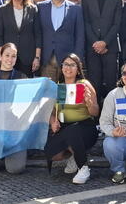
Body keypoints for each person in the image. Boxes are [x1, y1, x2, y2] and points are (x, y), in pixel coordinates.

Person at [45, 54, 100, 184]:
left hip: (85, 127)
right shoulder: (57, 87)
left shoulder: (84, 84)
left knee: (73, 131)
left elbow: (95, 112)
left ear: (78, 69)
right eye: (65, 64)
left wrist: (89, 103)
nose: (68, 67)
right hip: (63, 127)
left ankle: (83, 168)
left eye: (72, 65)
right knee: (51, 153)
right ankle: (74, 156)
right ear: (62, 67)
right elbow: (51, 112)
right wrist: (53, 121)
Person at [0, 43, 29, 174]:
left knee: (16, 169)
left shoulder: (22, 77)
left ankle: (8, 156)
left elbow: (28, 102)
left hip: (15, 128)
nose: (10, 59)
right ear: (1, 56)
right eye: (7, 55)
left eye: (13, 56)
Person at [81, 0, 123, 98]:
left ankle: (112, 114)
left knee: (112, 82)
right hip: (92, 47)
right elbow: (86, 22)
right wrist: (96, 43)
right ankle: (95, 114)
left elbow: (117, 24)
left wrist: (104, 42)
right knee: (94, 83)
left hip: (110, 47)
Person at [37, 0, 85, 79]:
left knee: (67, 92)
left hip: (68, 61)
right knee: (48, 93)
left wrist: (77, 60)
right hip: (46, 59)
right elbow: (37, 34)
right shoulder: (40, 7)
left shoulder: (76, 9)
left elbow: (80, 37)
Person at [0, 0, 40, 76]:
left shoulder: (33, 9)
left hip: (27, 58)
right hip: (8, 58)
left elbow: (38, 35)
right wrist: (1, 56)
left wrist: (37, 57)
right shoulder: (2, 10)